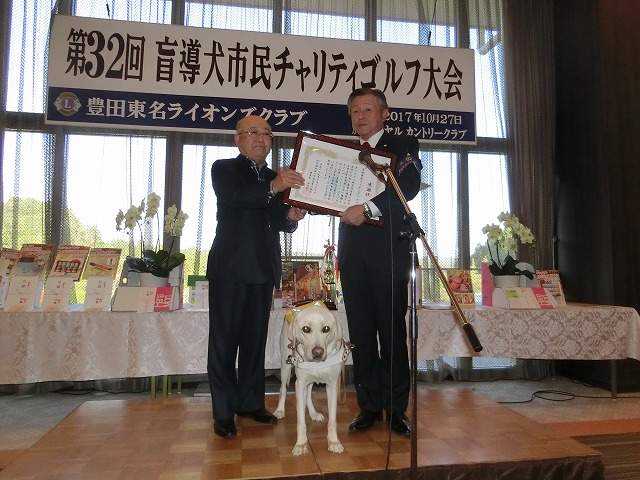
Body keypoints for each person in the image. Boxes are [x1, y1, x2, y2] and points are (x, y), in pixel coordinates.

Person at [206, 114, 307, 439]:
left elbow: (278, 220)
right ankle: (224, 412)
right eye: (253, 132)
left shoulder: (276, 177)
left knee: (254, 342)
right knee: (223, 344)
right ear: (238, 139)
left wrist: (292, 215)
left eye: (267, 133)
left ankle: (250, 403)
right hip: (231, 269)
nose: (261, 138)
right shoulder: (224, 169)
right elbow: (236, 198)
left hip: (263, 270)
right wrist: (276, 187)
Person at [338, 88, 422, 436]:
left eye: (367, 109)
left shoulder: (402, 145)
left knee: (391, 332)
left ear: (385, 113)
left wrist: (368, 209)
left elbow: (409, 185)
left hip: (388, 252)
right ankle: (369, 406)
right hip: (352, 253)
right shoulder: (342, 152)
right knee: (360, 333)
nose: (360, 116)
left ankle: (396, 408)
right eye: (355, 111)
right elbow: (332, 195)